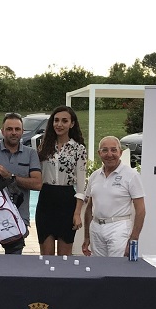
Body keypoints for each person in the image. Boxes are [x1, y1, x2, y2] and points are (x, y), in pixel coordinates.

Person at [0, 113, 42, 254]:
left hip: (18, 219)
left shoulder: (31, 153)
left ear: (22, 131)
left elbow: (37, 184)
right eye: (9, 129)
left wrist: (10, 176)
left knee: (14, 265)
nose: (13, 132)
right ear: (2, 131)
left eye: (17, 129)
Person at [82, 136, 146, 257]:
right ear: (99, 153)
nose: (109, 154)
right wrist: (86, 236)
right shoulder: (94, 176)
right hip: (96, 228)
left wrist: (134, 239)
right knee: (99, 266)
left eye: (113, 150)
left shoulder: (131, 175)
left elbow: (141, 209)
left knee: (117, 266)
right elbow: (89, 207)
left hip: (119, 228)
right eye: (105, 150)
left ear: (120, 152)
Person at [35, 105, 87, 256]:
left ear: (72, 124)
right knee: (46, 255)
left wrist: (77, 213)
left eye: (64, 121)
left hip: (67, 202)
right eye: (56, 120)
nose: (59, 124)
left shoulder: (79, 149)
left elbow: (81, 185)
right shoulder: (43, 147)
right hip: (46, 200)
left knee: (64, 257)